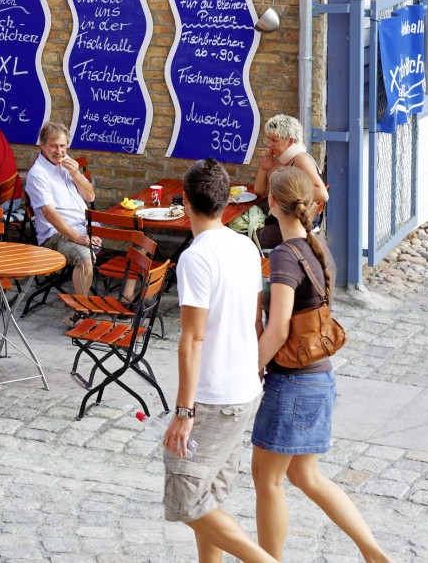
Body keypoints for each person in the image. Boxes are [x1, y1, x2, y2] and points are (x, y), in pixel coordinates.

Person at [251, 166, 390, 563]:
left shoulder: (283, 256)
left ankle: (269, 561)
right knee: (304, 476)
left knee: (267, 479)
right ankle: (373, 552)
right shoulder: (317, 245)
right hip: (319, 377)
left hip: (292, 383)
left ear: (272, 202)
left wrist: (253, 367)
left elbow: (277, 330)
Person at [163, 158, 274, 563]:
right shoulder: (245, 246)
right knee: (209, 496)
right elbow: (255, 318)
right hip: (245, 388)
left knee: (186, 499)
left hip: (213, 397)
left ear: (187, 204)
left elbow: (192, 338)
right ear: (226, 203)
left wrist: (183, 411)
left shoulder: (195, 258)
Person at [24, 121, 98, 297]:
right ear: (42, 146)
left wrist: (76, 174)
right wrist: (78, 237)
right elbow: (50, 214)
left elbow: (90, 197)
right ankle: (79, 311)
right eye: (53, 146)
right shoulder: (38, 174)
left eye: (63, 146)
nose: (59, 151)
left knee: (138, 239)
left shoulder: (67, 164)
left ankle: (128, 297)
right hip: (55, 234)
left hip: (85, 224)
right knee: (86, 258)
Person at [251, 114, 328, 248]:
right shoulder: (282, 161)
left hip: (297, 226)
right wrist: (264, 169)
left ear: (290, 141)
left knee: (247, 238)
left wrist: (286, 193)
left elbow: (323, 194)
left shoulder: (300, 160)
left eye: (274, 140)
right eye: (268, 139)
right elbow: (259, 191)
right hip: (285, 221)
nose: (269, 145)